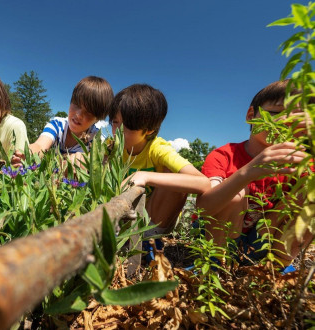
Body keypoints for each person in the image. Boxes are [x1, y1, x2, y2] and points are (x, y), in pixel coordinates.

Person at [196, 80, 313, 271]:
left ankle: (275, 266)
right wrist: (246, 173)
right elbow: (204, 208)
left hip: (262, 241)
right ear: (251, 115)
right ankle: (215, 264)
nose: (283, 122)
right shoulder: (225, 155)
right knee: (235, 192)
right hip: (216, 236)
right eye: (275, 113)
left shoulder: (300, 161)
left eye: (295, 119)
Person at [109, 84, 210, 259]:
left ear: (149, 130)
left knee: (173, 172)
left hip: (154, 218)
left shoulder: (158, 148)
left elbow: (203, 183)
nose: (118, 131)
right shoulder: (111, 148)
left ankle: (148, 238)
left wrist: (145, 176)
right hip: (122, 217)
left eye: (127, 127)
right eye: (115, 122)